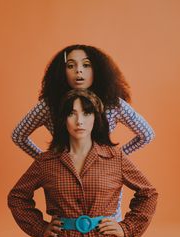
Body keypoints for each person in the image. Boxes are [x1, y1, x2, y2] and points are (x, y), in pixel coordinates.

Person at [8, 89, 158, 237]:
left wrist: (127, 227)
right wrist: (39, 227)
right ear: (63, 119)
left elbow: (148, 193)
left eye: (87, 113)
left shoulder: (115, 157)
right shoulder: (46, 161)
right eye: (72, 113)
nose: (79, 121)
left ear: (96, 118)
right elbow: (17, 197)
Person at [11, 44, 155, 225]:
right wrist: (49, 163)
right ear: (61, 71)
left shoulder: (112, 104)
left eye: (86, 65)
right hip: (66, 189)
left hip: (103, 191)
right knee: (66, 236)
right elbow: (19, 135)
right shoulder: (49, 105)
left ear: (98, 70)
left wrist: (113, 162)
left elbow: (146, 134)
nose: (79, 70)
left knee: (108, 235)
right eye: (70, 65)